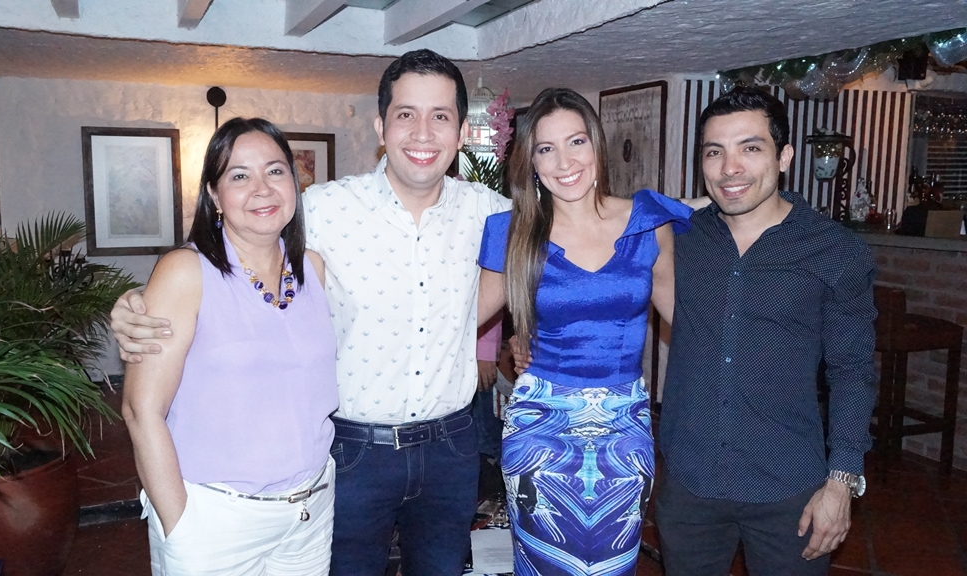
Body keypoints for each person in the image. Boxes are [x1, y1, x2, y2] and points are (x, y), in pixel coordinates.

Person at [111, 49, 511, 576]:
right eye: (405, 114)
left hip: (451, 449)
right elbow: (221, 258)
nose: (422, 132)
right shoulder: (318, 209)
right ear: (381, 126)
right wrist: (131, 306)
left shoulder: (494, 214)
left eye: (440, 116)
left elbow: (561, 249)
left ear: (461, 132)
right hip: (351, 452)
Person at [654, 87, 877, 576]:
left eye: (749, 149)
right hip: (691, 484)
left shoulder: (834, 250)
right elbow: (610, 216)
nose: (730, 167)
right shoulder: (682, 236)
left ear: (785, 157)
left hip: (789, 487)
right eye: (715, 152)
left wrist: (841, 483)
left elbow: (853, 371)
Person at [476, 88, 692, 575]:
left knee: (613, 565)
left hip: (624, 428)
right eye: (546, 149)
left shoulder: (646, 222)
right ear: (530, 161)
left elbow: (689, 318)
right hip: (539, 431)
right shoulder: (513, 233)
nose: (564, 161)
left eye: (576, 142)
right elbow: (457, 319)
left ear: (597, 145)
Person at [121, 117, 339, 576]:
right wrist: (179, 524)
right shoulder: (185, 272)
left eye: (276, 171)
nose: (262, 188)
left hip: (309, 512)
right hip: (214, 522)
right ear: (215, 196)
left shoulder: (313, 269)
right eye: (239, 176)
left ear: (295, 185)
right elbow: (142, 410)